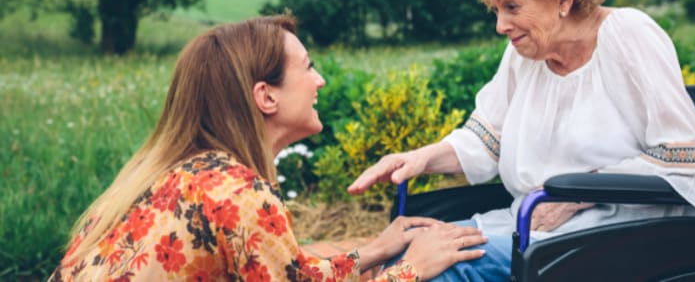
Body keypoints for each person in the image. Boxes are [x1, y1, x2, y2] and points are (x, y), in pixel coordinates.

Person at [348, 0, 695, 281]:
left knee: (443, 271)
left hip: (616, 228)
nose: (500, 26)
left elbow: (684, 157)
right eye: (496, 10)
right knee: (403, 254)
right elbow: (485, 139)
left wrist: (574, 197)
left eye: (512, 7)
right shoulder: (525, 55)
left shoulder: (627, 34)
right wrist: (417, 158)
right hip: (532, 222)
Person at [49, 16, 488, 281]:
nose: (319, 81)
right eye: (308, 67)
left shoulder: (177, 173)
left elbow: (287, 275)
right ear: (266, 97)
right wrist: (412, 269)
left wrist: (372, 252)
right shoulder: (239, 196)